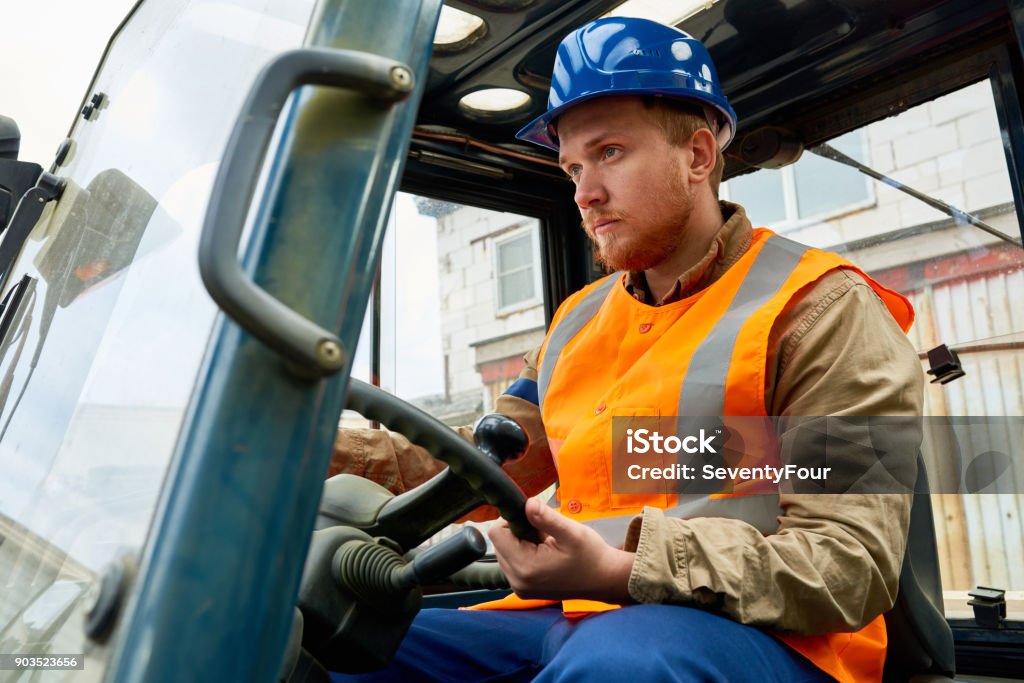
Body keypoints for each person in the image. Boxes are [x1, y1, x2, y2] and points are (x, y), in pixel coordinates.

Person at [329, 16, 923, 683]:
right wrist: (312, 447)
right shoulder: (576, 324)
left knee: (618, 667)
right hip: (572, 611)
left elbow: (848, 562)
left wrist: (622, 567)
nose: (583, 191)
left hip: (772, 640)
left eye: (609, 152)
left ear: (697, 156)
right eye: (573, 166)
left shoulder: (820, 308)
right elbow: (483, 463)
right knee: (339, 642)